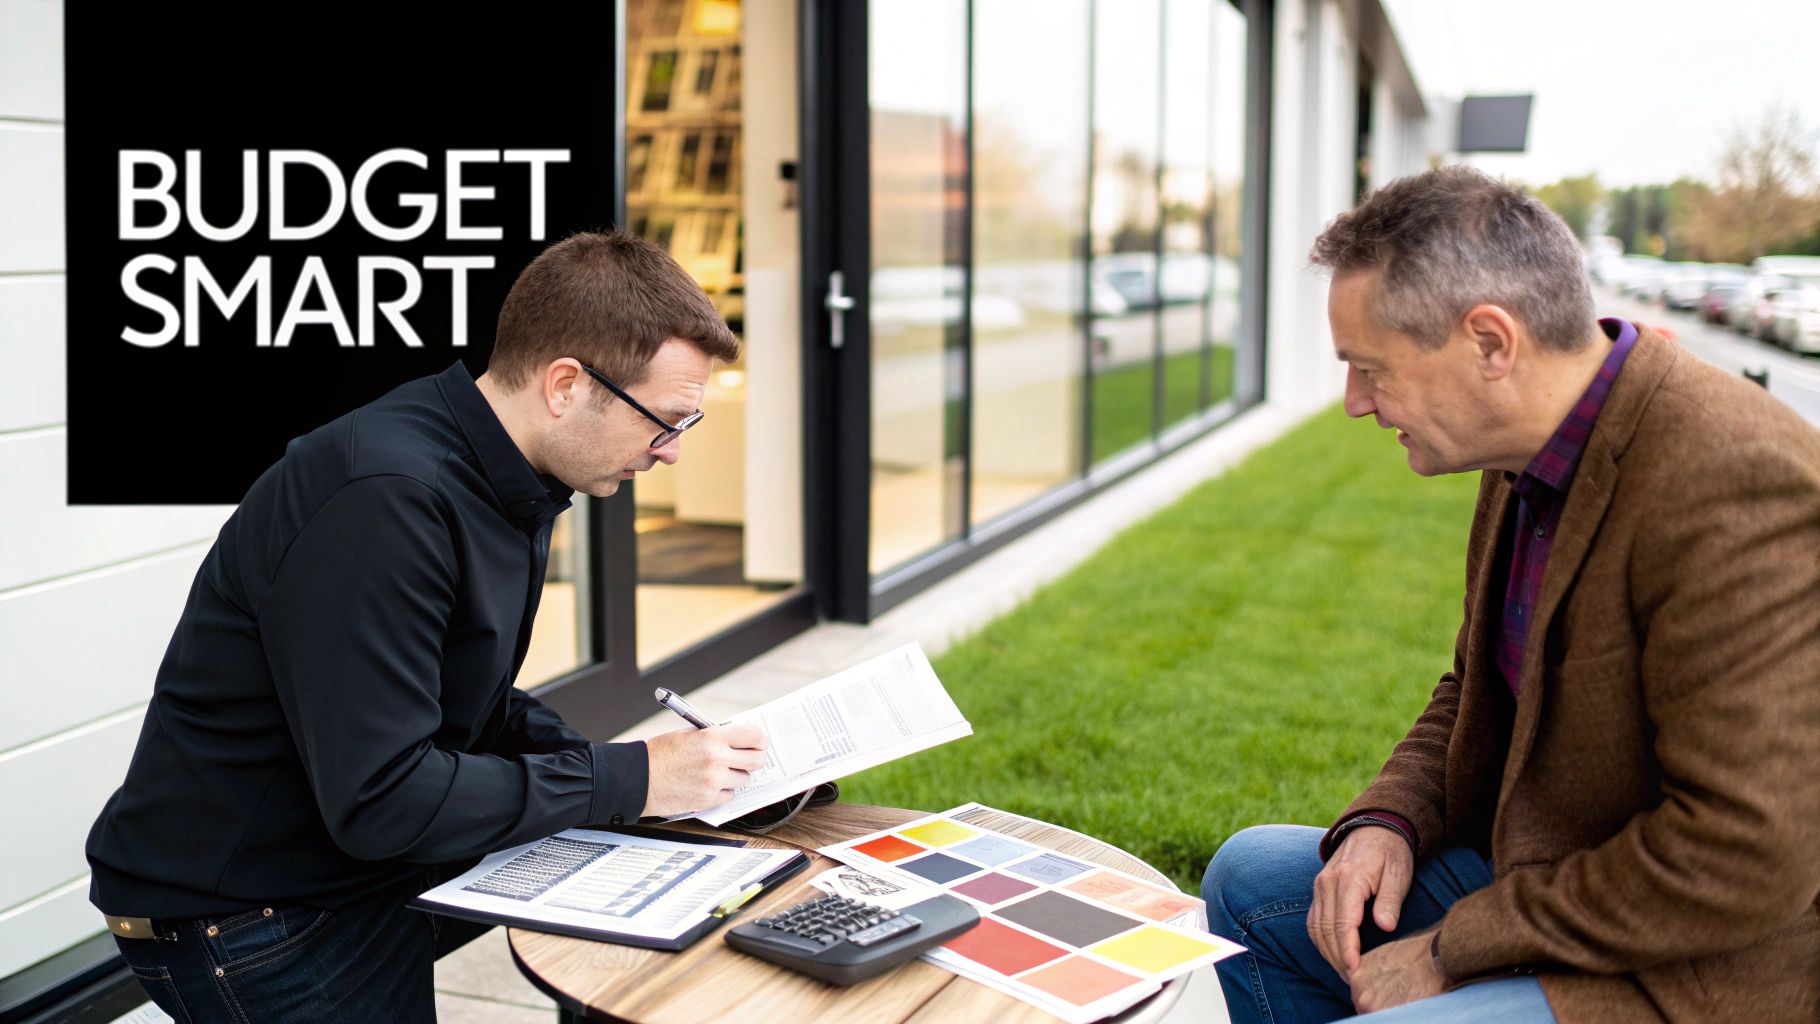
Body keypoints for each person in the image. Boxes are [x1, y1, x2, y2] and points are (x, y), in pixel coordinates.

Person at [86, 231, 770, 1022]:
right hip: (250, 914)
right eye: (666, 421)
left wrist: (635, 773)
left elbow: (460, 694)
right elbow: (385, 796)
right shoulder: (384, 498)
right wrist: (632, 777)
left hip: (339, 863)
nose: (670, 452)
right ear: (565, 385)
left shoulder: (505, 472)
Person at [1200, 167, 1819, 1023]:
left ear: (1491, 343)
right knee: (1250, 882)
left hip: (1696, 967)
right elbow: (1476, 686)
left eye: (1370, 370)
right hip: (1546, 875)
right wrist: (1389, 819)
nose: (1354, 403)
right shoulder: (1523, 451)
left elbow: (1747, 856)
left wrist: (1454, 947)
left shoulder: (1734, 484)